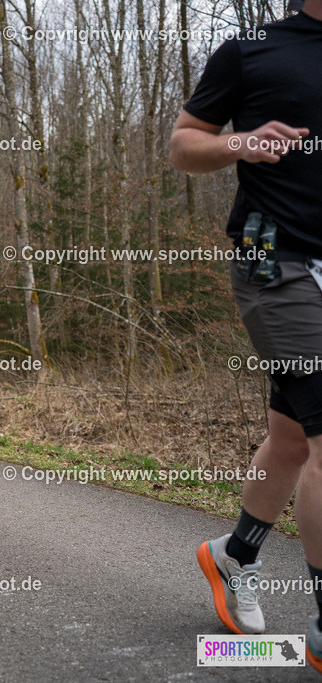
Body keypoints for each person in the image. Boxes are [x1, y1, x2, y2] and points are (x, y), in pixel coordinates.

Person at [169, 2, 322, 670]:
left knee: (292, 438)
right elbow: (183, 143)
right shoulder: (252, 48)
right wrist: (236, 142)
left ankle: (236, 554)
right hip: (274, 262)